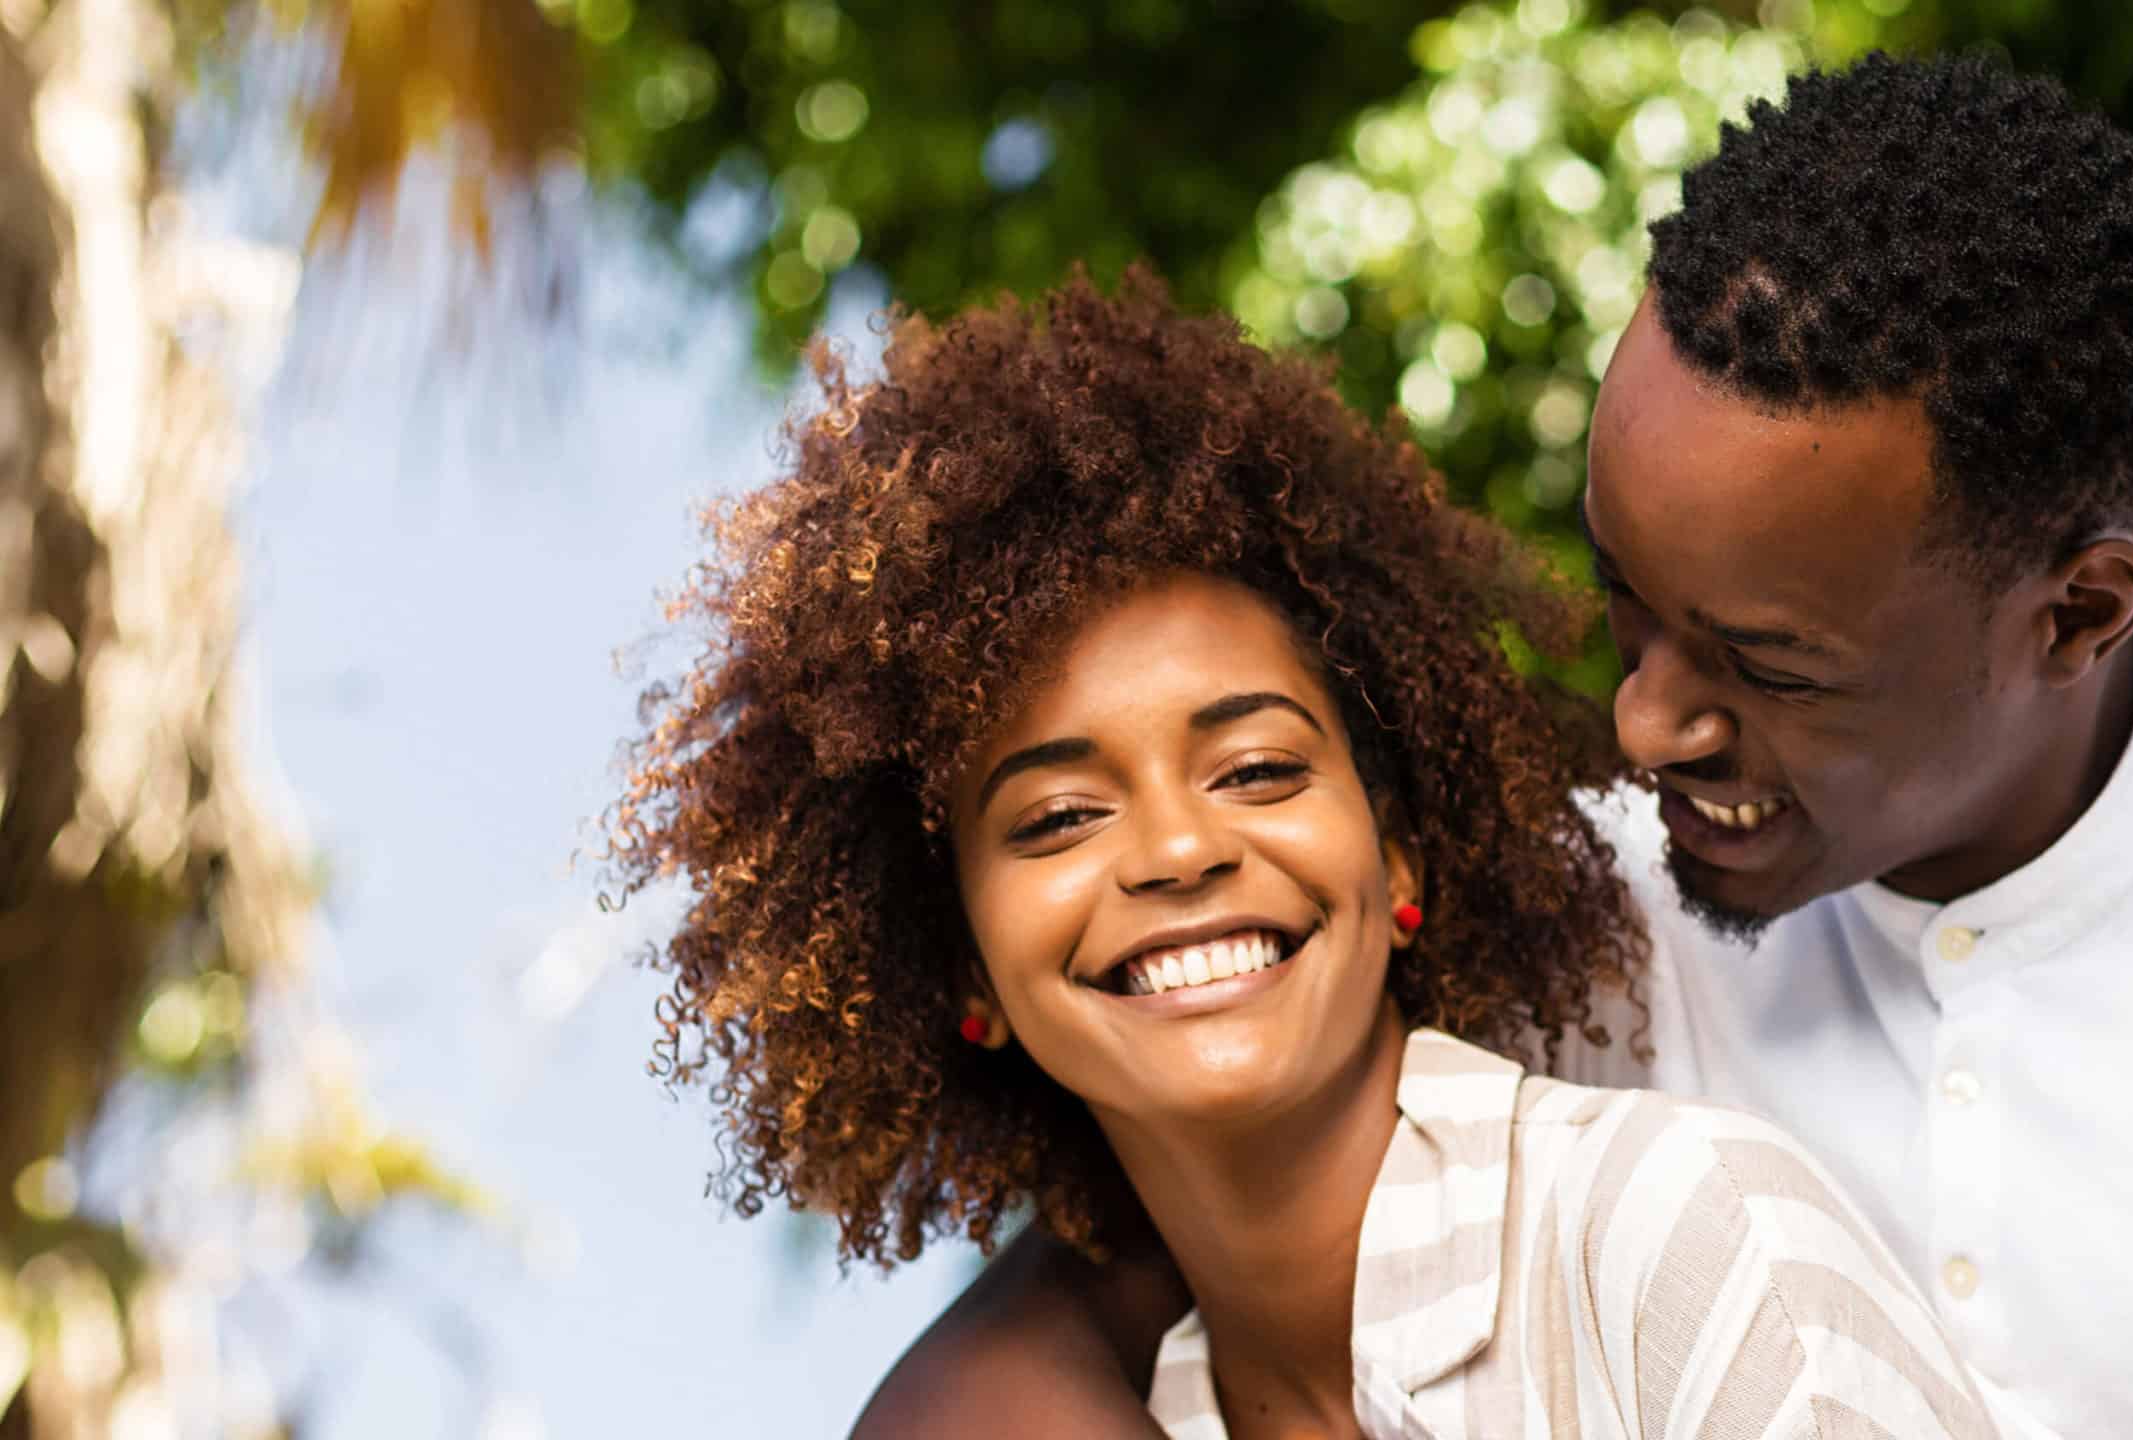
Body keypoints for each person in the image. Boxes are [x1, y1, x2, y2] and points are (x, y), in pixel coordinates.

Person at [854, 52, 2133, 1439]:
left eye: (1767, 665)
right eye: (1624, 602)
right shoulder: (1588, 919)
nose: (1645, 723)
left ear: (2077, 615)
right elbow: (1188, 1174)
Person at [612, 269, 2000, 1438]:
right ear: (964, 969)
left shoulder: (1677, 1234)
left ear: (1398, 861)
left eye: (1259, 769)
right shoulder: (1101, 1407)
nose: (1174, 848)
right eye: (1057, 818)